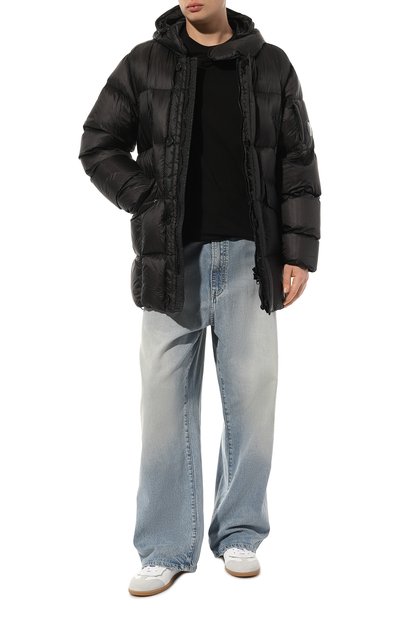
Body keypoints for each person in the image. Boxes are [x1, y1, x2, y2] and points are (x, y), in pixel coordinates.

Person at [78, 1, 321, 597]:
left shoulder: (272, 65)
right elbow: (98, 143)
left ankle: (239, 532)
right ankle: (164, 546)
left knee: (252, 400)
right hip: (171, 262)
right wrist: (146, 197)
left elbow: (298, 163)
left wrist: (298, 253)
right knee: (163, 407)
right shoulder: (144, 63)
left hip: (250, 261)